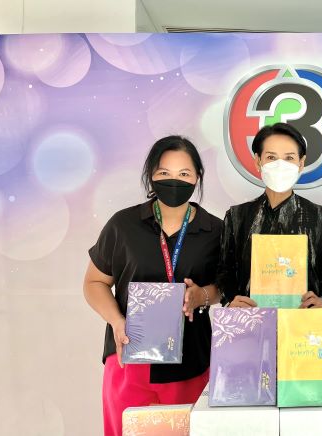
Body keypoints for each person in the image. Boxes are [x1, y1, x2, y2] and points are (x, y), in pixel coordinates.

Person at [83, 136, 223, 436]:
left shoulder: (215, 230)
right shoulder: (123, 225)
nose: (174, 181)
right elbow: (94, 282)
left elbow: (223, 288)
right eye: (164, 173)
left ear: (197, 177)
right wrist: (116, 321)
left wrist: (201, 295)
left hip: (190, 360)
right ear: (151, 176)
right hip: (130, 357)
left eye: (184, 173)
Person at [217, 122, 322, 309]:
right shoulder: (237, 217)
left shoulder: (319, 217)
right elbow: (224, 272)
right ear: (258, 161)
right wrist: (231, 301)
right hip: (250, 321)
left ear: (301, 163)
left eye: (289, 158)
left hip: (302, 321)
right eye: (271, 157)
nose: (280, 165)